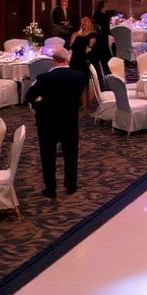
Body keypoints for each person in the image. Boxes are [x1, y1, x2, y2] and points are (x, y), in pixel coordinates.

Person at [25, 47, 88, 197]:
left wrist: (40, 103)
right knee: (71, 153)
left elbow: (29, 96)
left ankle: (51, 188)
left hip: (47, 122)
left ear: (54, 61)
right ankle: (71, 185)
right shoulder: (79, 77)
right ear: (67, 60)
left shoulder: (43, 79)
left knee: (48, 155)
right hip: (70, 121)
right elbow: (78, 98)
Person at [69, 18, 99, 111]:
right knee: (73, 82)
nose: (83, 24)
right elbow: (72, 47)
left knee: (83, 82)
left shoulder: (93, 35)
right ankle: (77, 102)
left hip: (83, 60)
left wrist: (81, 36)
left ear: (89, 24)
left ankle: (86, 105)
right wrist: (79, 33)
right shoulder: (76, 34)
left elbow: (89, 48)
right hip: (74, 60)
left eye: (85, 22)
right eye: (81, 22)